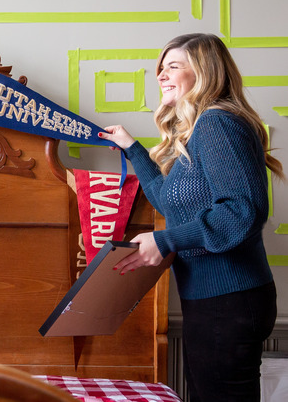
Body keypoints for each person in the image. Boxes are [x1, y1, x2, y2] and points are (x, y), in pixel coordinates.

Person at [99, 33, 283, 401]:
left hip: (228, 299)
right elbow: (170, 202)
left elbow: (242, 212)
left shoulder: (218, 124)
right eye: (160, 69)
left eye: (173, 66)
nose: (161, 76)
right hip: (216, 299)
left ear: (204, 71)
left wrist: (165, 241)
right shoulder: (202, 129)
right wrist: (133, 149)